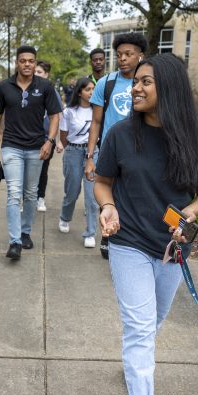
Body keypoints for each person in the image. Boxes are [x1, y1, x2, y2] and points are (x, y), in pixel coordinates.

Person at [93, 54, 198, 395]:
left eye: (146, 82)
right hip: (128, 242)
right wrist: (107, 207)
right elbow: (102, 182)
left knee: (151, 325)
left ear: (168, 87)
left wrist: (190, 214)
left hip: (172, 250)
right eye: (136, 82)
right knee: (138, 328)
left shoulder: (197, 139)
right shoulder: (119, 135)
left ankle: (135, 369)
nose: (136, 88)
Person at [0, 45, 62, 260]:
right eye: (23, 60)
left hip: (36, 147)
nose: (27, 64)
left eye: (31, 61)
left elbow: (55, 115)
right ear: (16, 62)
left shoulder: (45, 86)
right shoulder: (4, 87)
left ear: (35, 63)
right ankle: (14, 241)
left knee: (30, 193)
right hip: (11, 146)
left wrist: (50, 141)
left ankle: (25, 231)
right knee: (13, 192)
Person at [85, 32, 147, 259]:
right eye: (119, 54)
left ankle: (132, 236)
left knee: (135, 194)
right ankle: (108, 234)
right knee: (108, 192)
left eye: (128, 54)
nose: (122, 59)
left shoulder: (148, 83)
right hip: (111, 151)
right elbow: (96, 121)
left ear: (140, 56)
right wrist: (90, 156)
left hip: (141, 149)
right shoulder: (106, 83)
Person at [57, 77, 98, 248]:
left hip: (93, 153)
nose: (91, 93)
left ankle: (90, 232)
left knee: (92, 196)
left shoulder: (98, 111)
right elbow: (64, 136)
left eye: (93, 89)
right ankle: (65, 217)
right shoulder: (69, 111)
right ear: (80, 92)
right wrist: (64, 148)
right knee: (72, 192)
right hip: (73, 151)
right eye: (88, 89)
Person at [34, 60, 63, 212]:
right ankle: (26, 198)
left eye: (39, 72)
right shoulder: (27, 90)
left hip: (46, 139)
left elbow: (57, 117)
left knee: (42, 170)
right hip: (29, 138)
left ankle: (40, 198)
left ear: (46, 75)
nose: (36, 75)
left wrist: (57, 141)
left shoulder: (52, 93)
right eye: (35, 72)